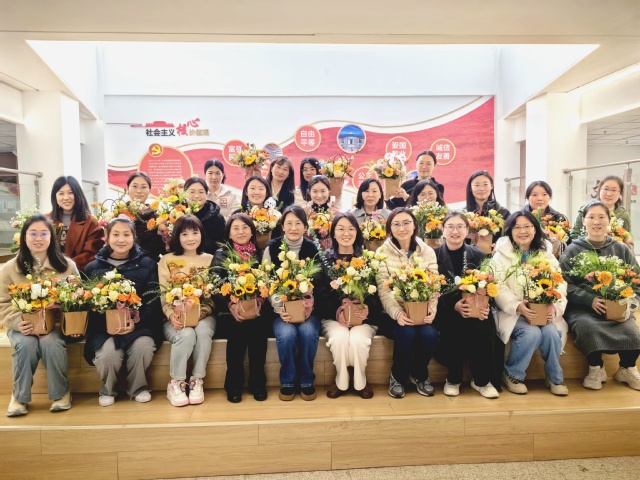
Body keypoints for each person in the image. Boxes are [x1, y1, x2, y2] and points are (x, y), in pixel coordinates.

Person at [1, 215, 79, 417]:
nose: (38, 238)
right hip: (22, 327)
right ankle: (19, 397)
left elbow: (79, 299)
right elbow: (3, 303)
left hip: (56, 326)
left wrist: (62, 305)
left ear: (51, 237)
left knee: (50, 342)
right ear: (24, 237)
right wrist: (18, 322)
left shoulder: (67, 266)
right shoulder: (9, 269)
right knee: (26, 344)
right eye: (33, 233)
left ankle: (61, 394)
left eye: (44, 233)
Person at [560, 201, 640, 391]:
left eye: (601, 217)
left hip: (618, 309)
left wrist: (629, 305)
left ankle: (627, 368)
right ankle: (596, 368)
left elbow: (636, 281)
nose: (596, 222)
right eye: (591, 217)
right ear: (584, 221)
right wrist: (589, 299)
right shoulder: (572, 249)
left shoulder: (621, 249)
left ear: (609, 220)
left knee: (634, 334)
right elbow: (563, 284)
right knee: (587, 329)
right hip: (583, 309)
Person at [84, 217, 163, 406]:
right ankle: (108, 389)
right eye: (116, 234)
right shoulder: (93, 267)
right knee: (108, 354)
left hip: (140, 326)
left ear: (134, 237)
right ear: (107, 237)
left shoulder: (148, 264)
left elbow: (153, 299)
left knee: (143, 347)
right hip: (104, 329)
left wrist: (136, 321)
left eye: (126, 234)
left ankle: (138, 388)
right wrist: (108, 323)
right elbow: (87, 305)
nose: (121, 239)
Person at [492, 211, 569, 396]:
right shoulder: (500, 256)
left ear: (535, 229)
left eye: (527, 226)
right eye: (517, 227)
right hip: (512, 312)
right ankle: (512, 374)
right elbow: (498, 287)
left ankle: (554, 377)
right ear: (510, 231)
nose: (522, 231)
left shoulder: (545, 254)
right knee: (531, 332)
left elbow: (559, 283)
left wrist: (554, 307)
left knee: (551, 333)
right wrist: (517, 306)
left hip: (543, 311)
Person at [262, 205, 329, 401]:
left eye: (298, 223)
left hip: (310, 311)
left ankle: (307, 379)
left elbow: (320, 283)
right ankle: (288, 380)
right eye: (289, 223)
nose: (293, 228)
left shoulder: (313, 248)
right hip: (280, 311)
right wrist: (281, 308)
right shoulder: (272, 248)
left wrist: (307, 306)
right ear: (282, 226)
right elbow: (267, 283)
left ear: (305, 227)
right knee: (287, 334)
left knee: (308, 332)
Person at [433, 211, 500, 398]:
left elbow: (490, 286)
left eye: (460, 227)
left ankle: (482, 381)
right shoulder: (433, 256)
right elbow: (430, 291)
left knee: (480, 327)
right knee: (455, 326)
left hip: (475, 310)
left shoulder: (479, 256)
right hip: (444, 310)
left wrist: (485, 305)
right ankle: (453, 378)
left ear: (467, 230)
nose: (455, 231)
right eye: (450, 227)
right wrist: (453, 306)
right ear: (442, 229)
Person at [376, 207, 440, 398]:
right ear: (390, 228)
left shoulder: (427, 251)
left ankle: (419, 374)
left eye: (406, 223)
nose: (401, 228)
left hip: (422, 312)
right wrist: (397, 313)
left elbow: (434, 284)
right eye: (396, 224)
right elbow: (383, 289)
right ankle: (398, 376)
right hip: (392, 314)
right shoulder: (382, 252)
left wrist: (431, 309)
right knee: (406, 332)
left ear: (414, 225)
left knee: (430, 334)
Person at [213, 213, 271, 403]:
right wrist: (231, 304)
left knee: (258, 330)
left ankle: (257, 382)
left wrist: (259, 302)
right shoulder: (221, 254)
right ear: (229, 233)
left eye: (245, 227)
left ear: (252, 231)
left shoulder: (260, 254)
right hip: (229, 312)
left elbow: (268, 281)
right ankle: (233, 385)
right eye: (236, 228)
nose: (241, 232)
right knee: (236, 332)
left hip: (257, 310)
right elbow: (215, 283)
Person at [158, 215, 216, 407]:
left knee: (202, 331)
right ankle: (176, 382)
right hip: (174, 316)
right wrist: (171, 315)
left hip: (204, 314)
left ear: (201, 234)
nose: (190, 238)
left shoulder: (210, 259)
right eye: (184, 234)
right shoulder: (167, 260)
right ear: (177, 236)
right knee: (186, 334)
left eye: (195, 232)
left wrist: (201, 313)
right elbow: (163, 294)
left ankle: (197, 380)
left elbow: (214, 296)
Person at [322, 213, 381, 399]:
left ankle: (360, 381)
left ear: (357, 232)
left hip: (364, 318)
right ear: (333, 233)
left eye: (351, 228)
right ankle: (341, 380)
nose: (346, 233)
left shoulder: (368, 259)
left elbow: (377, 293)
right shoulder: (325, 259)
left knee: (357, 340)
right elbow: (321, 294)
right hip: (333, 318)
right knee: (339, 339)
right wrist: (338, 312)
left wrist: (365, 309)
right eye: (340, 229)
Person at [49, 175, 104, 271]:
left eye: (71, 193)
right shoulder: (46, 220)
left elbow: (91, 253)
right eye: (61, 193)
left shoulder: (91, 222)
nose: (66, 197)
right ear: (55, 196)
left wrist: (66, 267)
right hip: (49, 272)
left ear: (78, 194)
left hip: (78, 273)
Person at [570, 176, 633, 248]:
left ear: (620, 193)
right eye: (606, 189)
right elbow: (574, 235)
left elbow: (628, 238)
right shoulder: (585, 210)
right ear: (599, 190)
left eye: (614, 190)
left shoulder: (623, 214)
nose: (609, 194)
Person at [125, 172, 167, 262]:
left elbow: (163, 248)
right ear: (127, 189)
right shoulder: (119, 213)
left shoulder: (157, 217)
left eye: (143, 187)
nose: (139, 191)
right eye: (135, 186)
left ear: (149, 191)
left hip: (149, 264)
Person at [522, 180, 570, 257]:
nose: (540, 198)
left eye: (544, 194)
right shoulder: (519, 218)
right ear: (528, 197)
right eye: (534, 195)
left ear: (549, 197)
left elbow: (567, 243)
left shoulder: (559, 218)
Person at [464, 170, 510, 248]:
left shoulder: (503, 213)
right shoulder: (463, 213)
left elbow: (509, 236)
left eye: (485, 184)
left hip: (496, 253)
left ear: (491, 186)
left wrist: (499, 246)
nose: (481, 189)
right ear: (470, 188)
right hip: (468, 253)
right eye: (477, 185)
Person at [183, 177, 226, 255]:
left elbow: (223, 245)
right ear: (184, 193)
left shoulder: (217, 217)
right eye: (192, 192)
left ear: (206, 194)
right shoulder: (176, 214)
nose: (196, 196)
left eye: (201, 192)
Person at [305, 175, 341, 250]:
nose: (319, 195)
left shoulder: (337, 214)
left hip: (331, 252)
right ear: (309, 192)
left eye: (323, 191)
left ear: (329, 191)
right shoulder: (303, 212)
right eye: (315, 191)